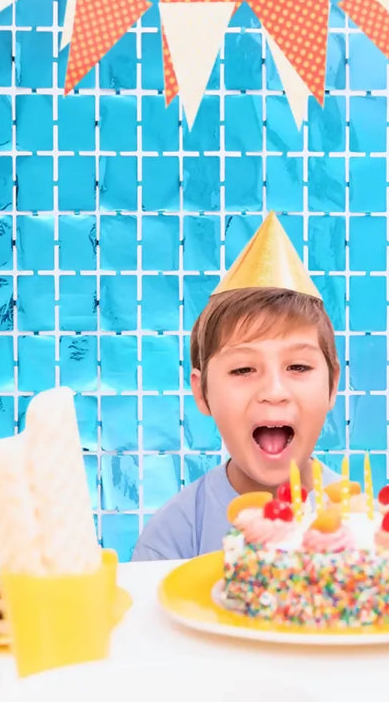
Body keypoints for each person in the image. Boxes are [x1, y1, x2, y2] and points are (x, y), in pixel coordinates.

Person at [132, 213, 341, 561]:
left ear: (332, 385)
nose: (274, 391)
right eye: (244, 369)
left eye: (298, 366)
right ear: (202, 393)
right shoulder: (175, 536)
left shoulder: (361, 520)